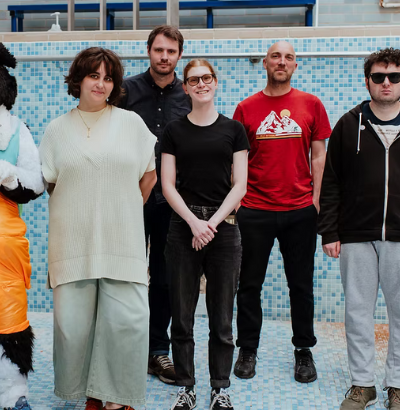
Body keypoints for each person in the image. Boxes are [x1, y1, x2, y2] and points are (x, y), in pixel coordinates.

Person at [318, 48, 400, 410]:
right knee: (357, 312)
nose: (385, 83)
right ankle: (363, 385)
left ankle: (399, 387)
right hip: (356, 234)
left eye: (393, 76)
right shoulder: (349, 125)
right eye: (378, 77)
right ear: (367, 81)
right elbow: (331, 183)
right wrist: (329, 231)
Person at [38, 47, 158, 410]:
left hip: (122, 239)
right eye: (94, 75)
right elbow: (51, 182)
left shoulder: (131, 123)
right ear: (78, 79)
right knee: (74, 326)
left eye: (108, 78)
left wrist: (121, 209)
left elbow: (149, 176)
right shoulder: (56, 130)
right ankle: (92, 392)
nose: (101, 84)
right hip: (73, 240)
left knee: (129, 321)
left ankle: (117, 399)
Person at [232, 41, 331, 383]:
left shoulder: (311, 104)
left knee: (300, 286)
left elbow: (319, 156)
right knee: (249, 285)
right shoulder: (246, 108)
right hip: (254, 210)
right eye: (276, 56)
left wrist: (316, 200)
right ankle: (247, 349)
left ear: (295, 66)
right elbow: (237, 160)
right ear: (265, 63)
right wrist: (239, 201)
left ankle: (303, 351)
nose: (282, 62)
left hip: (300, 210)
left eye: (288, 57)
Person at [161, 59, 249, 410]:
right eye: (193, 79)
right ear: (185, 87)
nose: (201, 84)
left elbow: (240, 185)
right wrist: (194, 223)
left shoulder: (234, 130)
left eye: (206, 78)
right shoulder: (174, 131)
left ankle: (219, 389)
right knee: (182, 317)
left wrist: (210, 223)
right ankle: (186, 387)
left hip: (223, 229)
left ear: (215, 82)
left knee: (222, 318)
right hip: (183, 228)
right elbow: (168, 185)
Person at [119, 25, 192, 385]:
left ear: (179, 55)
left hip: (171, 202)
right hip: (129, 197)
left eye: (171, 51)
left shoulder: (188, 94)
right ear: (148, 50)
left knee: (164, 278)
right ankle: (125, 348)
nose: (164, 57)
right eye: (159, 50)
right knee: (125, 275)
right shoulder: (124, 91)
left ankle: (157, 351)